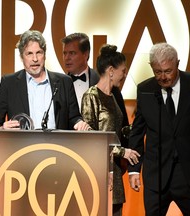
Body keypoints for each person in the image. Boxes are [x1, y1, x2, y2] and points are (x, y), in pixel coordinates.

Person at [128, 42, 190, 215]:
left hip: (186, 174)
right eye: (157, 72)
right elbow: (137, 132)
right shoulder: (145, 89)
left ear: (177, 64)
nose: (163, 77)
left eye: (168, 71)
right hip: (156, 175)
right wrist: (134, 169)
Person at [0, 30, 90, 131]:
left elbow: (74, 118)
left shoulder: (64, 82)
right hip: (22, 147)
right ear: (22, 57)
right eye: (29, 53)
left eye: (39, 53)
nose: (35, 59)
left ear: (44, 55)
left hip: (58, 147)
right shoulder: (9, 83)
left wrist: (79, 123)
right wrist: (2, 129)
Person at [81, 44, 140, 216]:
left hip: (114, 171)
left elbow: (118, 130)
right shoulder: (91, 96)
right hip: (97, 172)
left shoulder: (114, 96)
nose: (125, 74)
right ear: (111, 70)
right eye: (123, 70)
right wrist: (123, 151)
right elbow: (90, 138)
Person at [61, 33, 130, 138]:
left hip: (101, 148)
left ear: (86, 54)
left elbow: (122, 124)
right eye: (64, 53)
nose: (67, 58)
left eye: (72, 53)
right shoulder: (60, 86)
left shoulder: (106, 83)